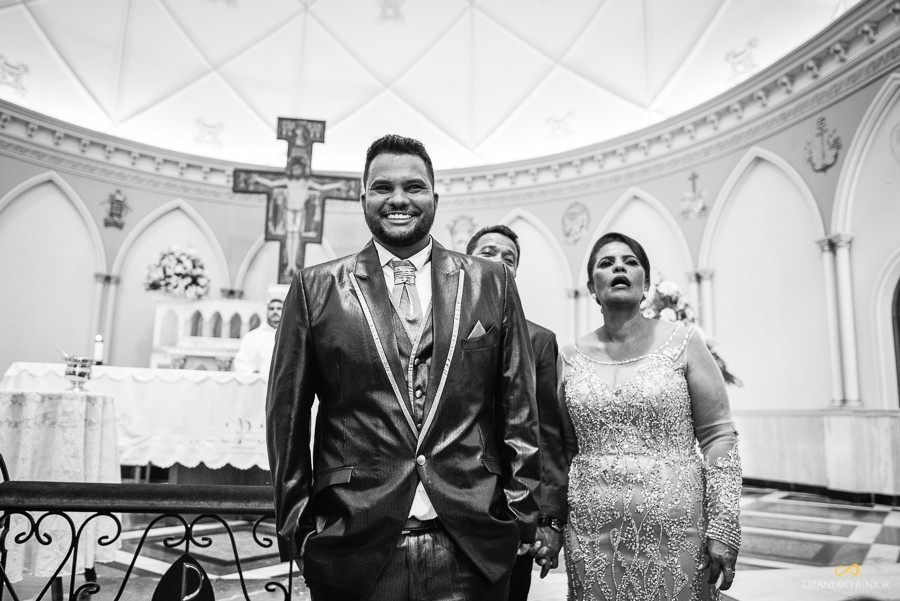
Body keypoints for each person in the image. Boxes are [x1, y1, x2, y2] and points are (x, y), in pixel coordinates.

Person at [266, 134, 541, 601]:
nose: (398, 199)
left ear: (434, 197)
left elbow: (519, 407)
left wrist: (519, 513)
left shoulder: (490, 282)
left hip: (471, 540)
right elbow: (286, 418)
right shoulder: (316, 288)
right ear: (363, 199)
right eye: (382, 188)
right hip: (353, 540)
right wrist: (297, 526)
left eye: (413, 187)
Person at [559, 232, 741, 600]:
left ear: (646, 284)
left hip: (676, 527)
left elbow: (719, 435)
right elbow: (563, 448)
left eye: (630, 262)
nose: (619, 268)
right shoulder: (570, 357)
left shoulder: (684, 342)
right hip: (591, 530)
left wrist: (723, 523)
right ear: (592, 288)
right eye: (605, 264)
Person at [466, 225, 568, 599]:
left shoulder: (539, 341)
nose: (498, 262)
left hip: (512, 511)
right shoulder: (433, 331)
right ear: (466, 262)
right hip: (444, 509)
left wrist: (549, 519)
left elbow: (549, 437)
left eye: (509, 258)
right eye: (488, 252)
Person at [252, 156, 345, 279]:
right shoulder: (288, 181)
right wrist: (257, 178)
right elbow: (272, 184)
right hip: (290, 211)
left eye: (298, 169)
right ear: (291, 170)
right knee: (290, 237)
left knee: (295, 238)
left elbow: (321, 188)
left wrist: (337, 184)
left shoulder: (306, 183)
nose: (296, 171)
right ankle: (290, 265)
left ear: (302, 170)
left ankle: (293, 265)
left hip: (300, 212)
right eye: (294, 169)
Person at [233, 287, 285, 374]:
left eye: (279, 308)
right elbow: (240, 363)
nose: (275, 311)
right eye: (271, 308)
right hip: (259, 384)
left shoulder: (292, 336)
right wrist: (252, 372)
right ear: (266, 311)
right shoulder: (252, 337)